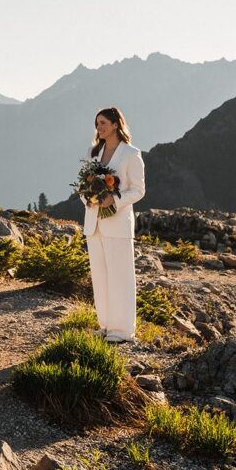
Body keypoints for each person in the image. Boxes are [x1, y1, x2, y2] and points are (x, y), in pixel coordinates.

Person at [81, 107, 145, 343]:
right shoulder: (92, 152)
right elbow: (83, 183)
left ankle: (123, 330)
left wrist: (114, 200)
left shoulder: (131, 154)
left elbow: (138, 190)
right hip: (94, 222)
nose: (99, 127)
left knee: (121, 277)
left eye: (104, 123)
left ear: (116, 125)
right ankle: (106, 325)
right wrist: (88, 197)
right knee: (100, 276)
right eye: (97, 123)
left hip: (118, 223)